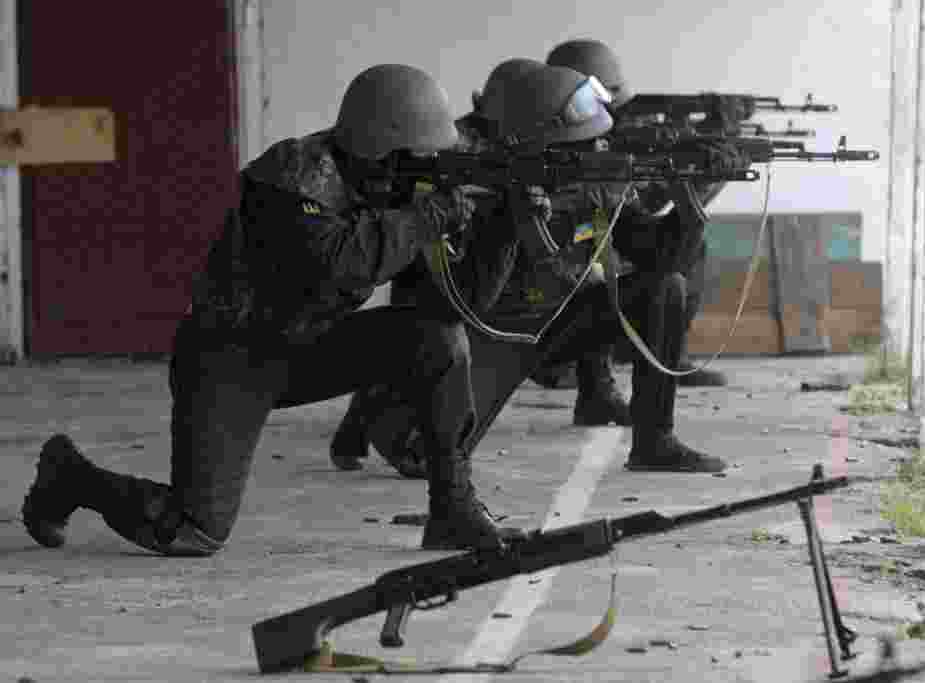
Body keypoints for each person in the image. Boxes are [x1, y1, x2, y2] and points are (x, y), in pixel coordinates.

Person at [20, 64, 541, 556]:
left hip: (312, 349)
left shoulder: (399, 191)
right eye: (420, 160)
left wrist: (505, 228)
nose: (430, 173)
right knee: (194, 531)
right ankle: (69, 475)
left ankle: (452, 507)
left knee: (438, 338)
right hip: (231, 359)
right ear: (383, 150)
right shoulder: (289, 179)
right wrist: (427, 218)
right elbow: (342, 264)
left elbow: (456, 305)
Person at [344, 64, 746, 474]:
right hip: (478, 337)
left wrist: (690, 198)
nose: (598, 150)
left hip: (548, 327)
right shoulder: (462, 184)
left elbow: (658, 259)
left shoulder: (589, 181)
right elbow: (451, 302)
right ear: (533, 141)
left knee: (665, 287)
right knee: (423, 457)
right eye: (582, 142)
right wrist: (508, 219)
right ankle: (371, 415)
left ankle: (655, 442)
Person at [545, 39, 730, 388]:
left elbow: (653, 246)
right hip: (527, 321)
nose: (606, 129)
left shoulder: (597, 165)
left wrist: (696, 191)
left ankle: (644, 428)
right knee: (599, 258)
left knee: (662, 278)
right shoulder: (514, 159)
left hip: (569, 311)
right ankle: (594, 382)